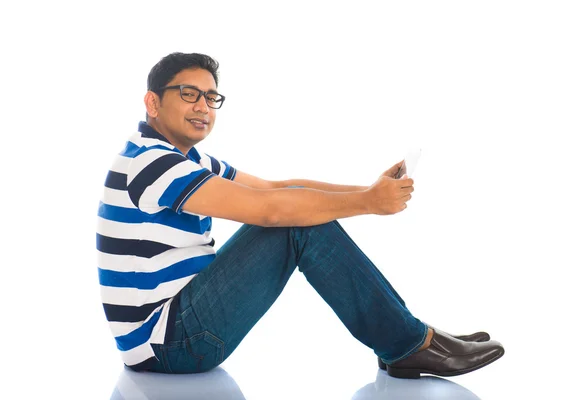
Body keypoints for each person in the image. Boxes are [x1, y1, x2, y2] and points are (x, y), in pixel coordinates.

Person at [96, 52, 504, 379]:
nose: (203, 106)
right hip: (169, 345)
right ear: (153, 102)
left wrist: (367, 190)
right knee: (295, 224)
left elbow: (276, 189)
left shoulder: (185, 158)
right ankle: (409, 344)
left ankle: (408, 337)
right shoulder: (150, 163)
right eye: (189, 94)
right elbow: (274, 210)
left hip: (175, 329)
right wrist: (369, 204)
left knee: (299, 212)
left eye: (211, 97)